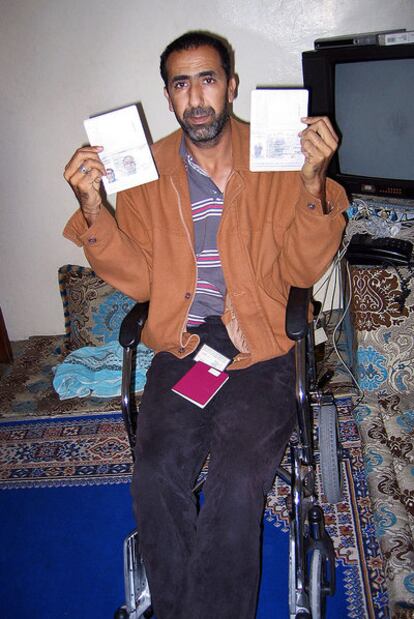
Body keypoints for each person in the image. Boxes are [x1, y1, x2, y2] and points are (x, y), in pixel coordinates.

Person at [63, 31, 348, 619]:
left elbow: (300, 267)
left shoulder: (278, 156)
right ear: (168, 96)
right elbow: (142, 283)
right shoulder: (145, 174)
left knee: (237, 480)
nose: (196, 97)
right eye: (181, 83)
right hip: (186, 342)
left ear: (232, 86)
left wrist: (313, 184)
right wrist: (94, 211)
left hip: (264, 340)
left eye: (208, 79)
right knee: (156, 472)